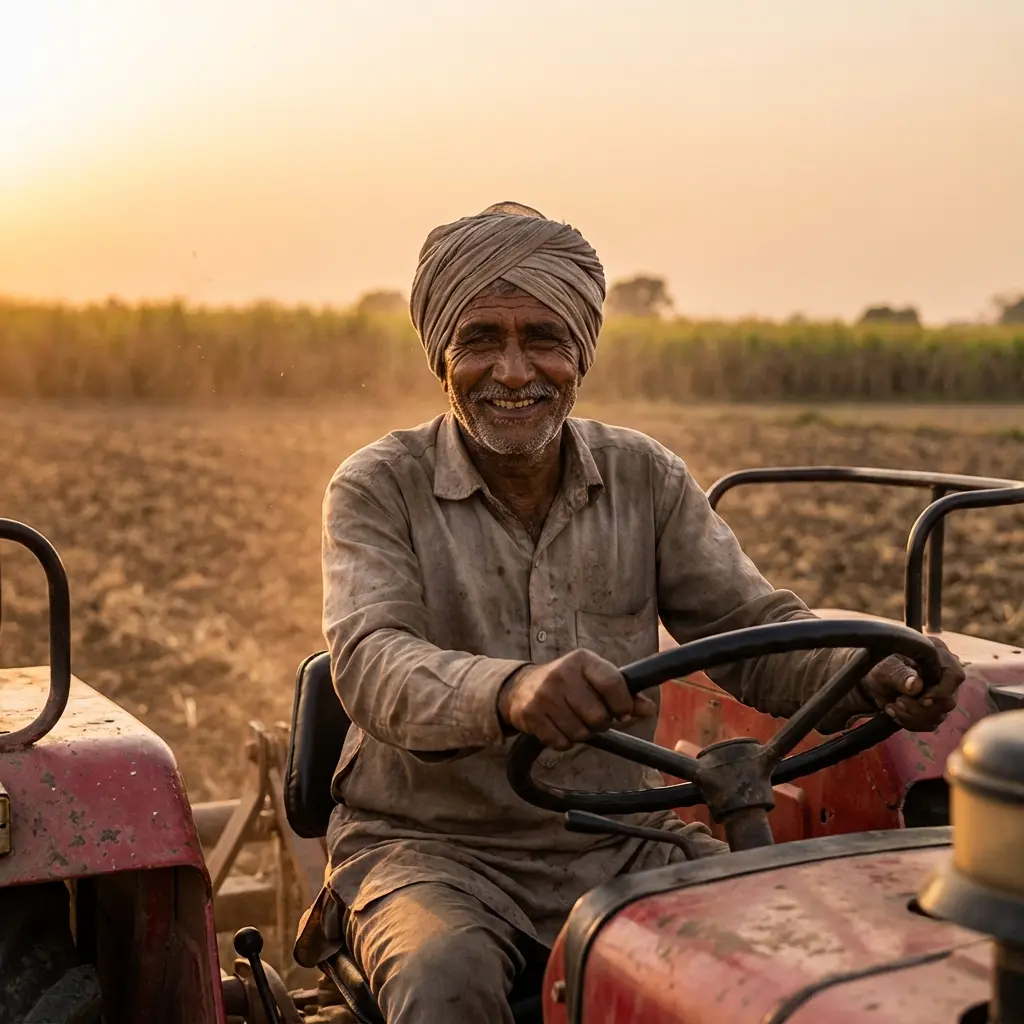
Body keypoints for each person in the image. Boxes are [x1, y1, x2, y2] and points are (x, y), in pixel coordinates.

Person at [295, 202, 964, 1022]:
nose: (512, 372)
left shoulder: (643, 476)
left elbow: (750, 630)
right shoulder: (378, 485)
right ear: (441, 354)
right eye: (481, 340)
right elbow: (372, 660)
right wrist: (510, 690)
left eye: (543, 337)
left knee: (783, 962)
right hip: (434, 851)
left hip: (616, 839)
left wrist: (868, 674)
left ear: (582, 352)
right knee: (446, 982)